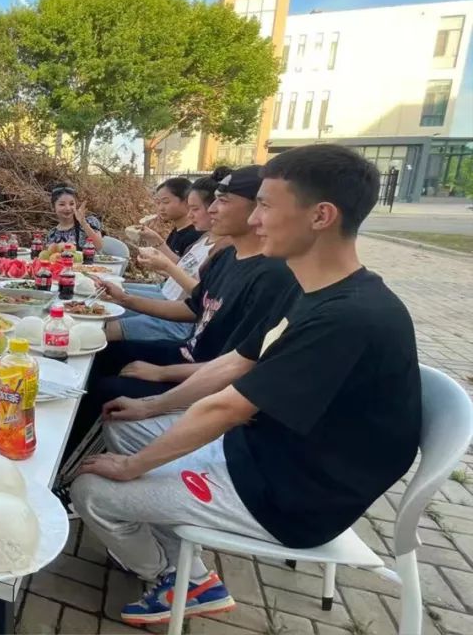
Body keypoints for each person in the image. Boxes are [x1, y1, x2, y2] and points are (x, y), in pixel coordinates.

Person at [71, 144, 421, 627]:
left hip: (289, 496)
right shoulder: (319, 292)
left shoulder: (350, 317)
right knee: (122, 422)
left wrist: (134, 467)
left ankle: (182, 581)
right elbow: (236, 362)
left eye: (266, 206)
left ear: (321, 216)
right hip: (257, 452)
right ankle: (178, 559)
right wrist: (150, 407)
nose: (255, 220)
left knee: (91, 489)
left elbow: (227, 408)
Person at [59, 166, 299, 461]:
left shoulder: (272, 276)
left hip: (204, 377)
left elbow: (235, 366)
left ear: (257, 208)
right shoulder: (227, 256)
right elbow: (191, 309)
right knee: (101, 352)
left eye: (223, 201)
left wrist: (161, 373)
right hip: (187, 353)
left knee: (105, 388)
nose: (212, 209)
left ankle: (66, 465)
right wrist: (125, 299)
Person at [116, 168, 231, 343]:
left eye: (194, 208)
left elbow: (199, 294)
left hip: (177, 318)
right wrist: (158, 248)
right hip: (166, 294)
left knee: (107, 320)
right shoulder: (205, 237)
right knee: (107, 297)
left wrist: (166, 266)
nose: (190, 214)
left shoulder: (222, 247)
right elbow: (184, 267)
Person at [138, 177, 203, 258]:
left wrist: (157, 240)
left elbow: (181, 266)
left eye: (166, 202)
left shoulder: (195, 236)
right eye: (158, 203)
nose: (160, 208)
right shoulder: (177, 231)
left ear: (187, 202)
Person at [47, 184, 103, 249]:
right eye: (62, 204)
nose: (68, 208)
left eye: (71, 204)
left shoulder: (89, 222)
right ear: (53, 207)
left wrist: (83, 223)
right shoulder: (52, 234)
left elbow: (99, 246)